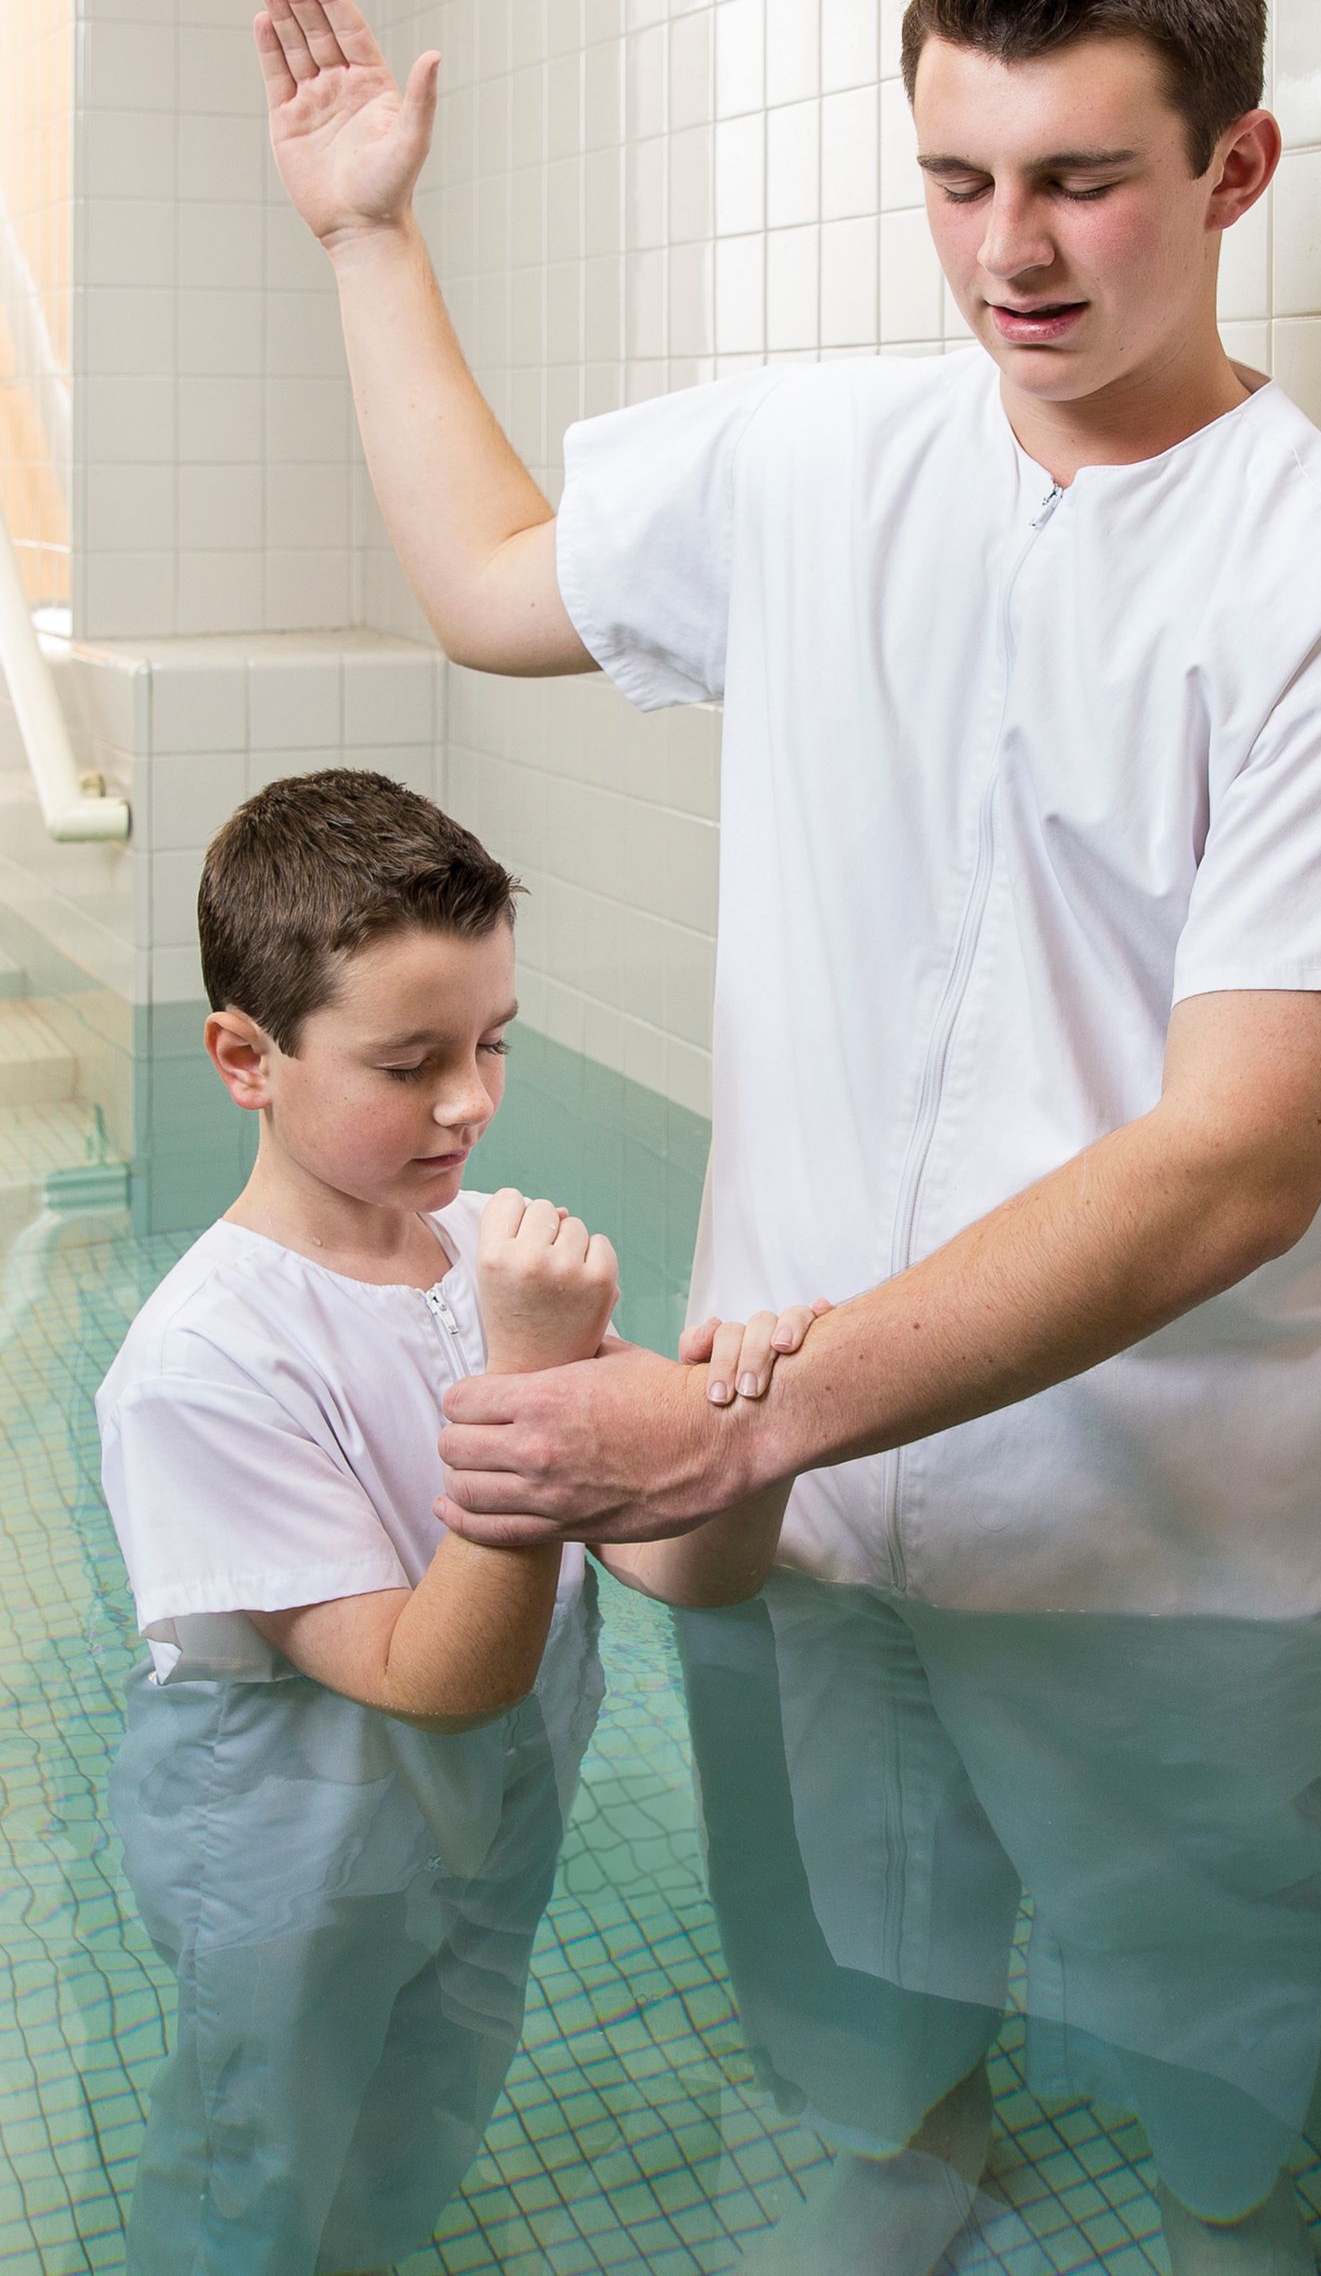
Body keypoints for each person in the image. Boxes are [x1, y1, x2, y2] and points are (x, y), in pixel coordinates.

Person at [252, 0, 1321, 2273]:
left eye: (1079, 179)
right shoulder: (822, 463)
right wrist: (367, 238)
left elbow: (1233, 1163)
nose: (1008, 252)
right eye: (957, 180)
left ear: (1232, 171)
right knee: (840, 1880)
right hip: (792, 1441)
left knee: (1187, 1950)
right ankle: (902, 2144)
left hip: (1153, 1497)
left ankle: (1224, 2204)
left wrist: (737, 1423)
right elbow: (489, 583)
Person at [99, 769, 822, 2276]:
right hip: (291, 1845)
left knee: (432, 2086)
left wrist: (753, 1440)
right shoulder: (203, 1360)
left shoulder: (492, 1249)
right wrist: (542, 1378)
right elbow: (439, 1677)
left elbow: (685, 1564)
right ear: (247, 1056)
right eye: (409, 1061)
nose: (472, 1102)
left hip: (493, 1804)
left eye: (493, 1043)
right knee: (259, 2145)